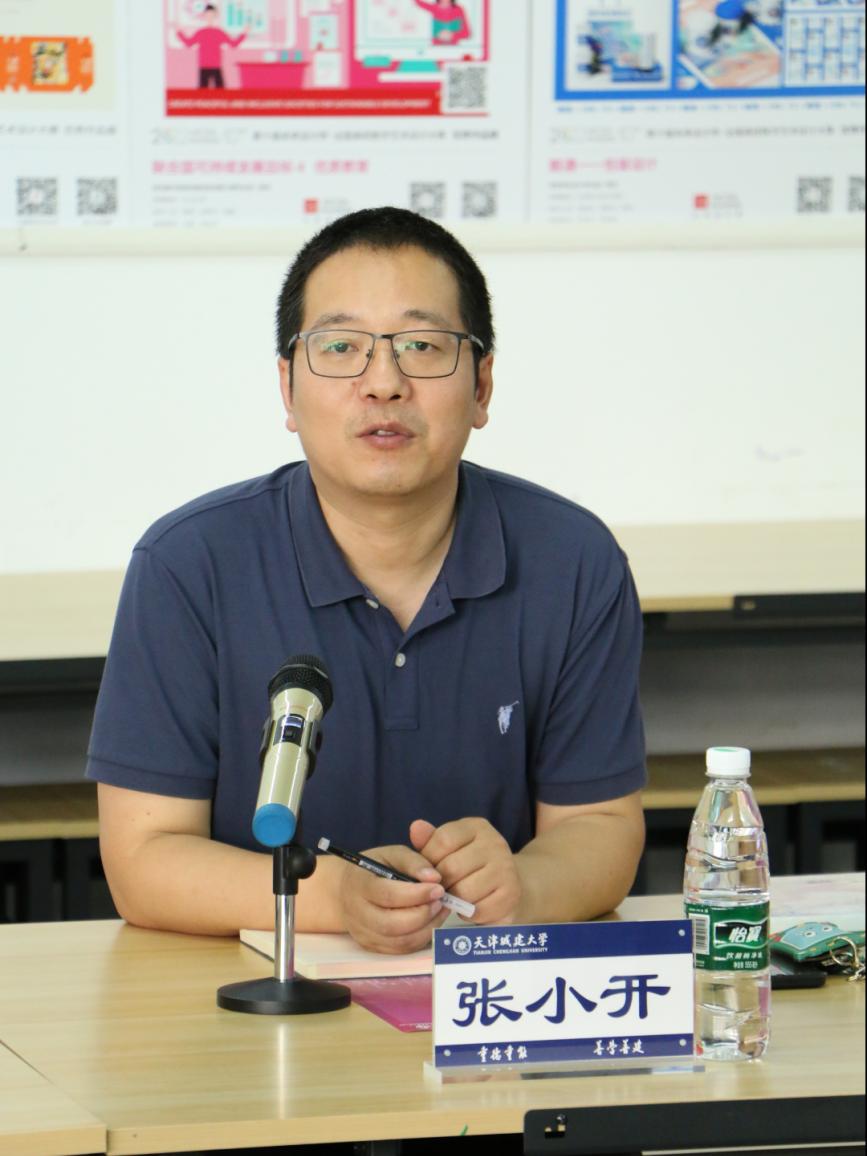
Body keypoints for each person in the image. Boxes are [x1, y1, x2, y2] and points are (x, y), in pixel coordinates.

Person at [88, 207, 646, 953]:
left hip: (485, 991)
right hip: (248, 996)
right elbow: (143, 861)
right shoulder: (188, 565)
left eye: (422, 346)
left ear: (482, 385)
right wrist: (337, 894)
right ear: (287, 388)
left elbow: (601, 826)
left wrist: (524, 885)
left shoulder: (572, 560)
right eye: (341, 347)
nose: (383, 383)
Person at [176, 3, 246, 89]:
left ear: (215, 16)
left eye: (212, 15)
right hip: (203, 66)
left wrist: (244, 33)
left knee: (220, 93)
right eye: (207, 15)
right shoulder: (201, 32)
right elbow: (189, 43)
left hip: (216, 66)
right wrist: (179, 32)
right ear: (204, 16)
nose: (209, 17)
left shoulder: (219, 32)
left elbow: (233, 44)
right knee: (202, 93)